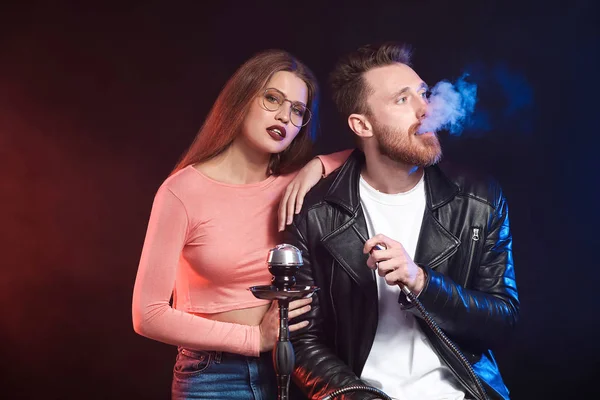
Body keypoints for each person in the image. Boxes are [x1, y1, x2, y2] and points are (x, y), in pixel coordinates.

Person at [283, 43, 519, 400]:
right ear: (362, 125)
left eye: (424, 93)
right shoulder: (316, 214)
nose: (427, 109)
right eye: (402, 100)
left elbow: (503, 321)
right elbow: (302, 341)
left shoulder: (479, 199)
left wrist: (422, 282)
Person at [131, 49, 350, 400]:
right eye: (272, 98)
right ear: (242, 97)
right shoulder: (182, 191)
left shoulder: (296, 184)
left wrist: (318, 165)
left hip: (298, 368)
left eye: (297, 110)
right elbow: (148, 314)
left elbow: (373, 153)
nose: (284, 116)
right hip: (215, 376)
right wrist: (255, 339)